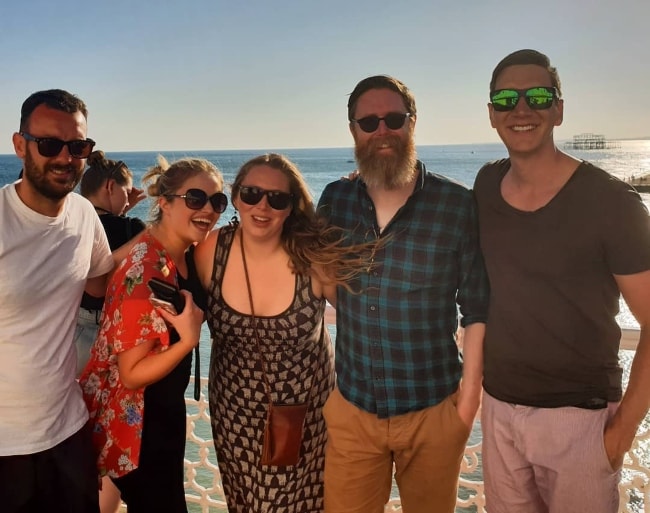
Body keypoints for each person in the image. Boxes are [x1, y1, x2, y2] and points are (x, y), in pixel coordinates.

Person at [474, 49, 650, 513]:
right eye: (507, 99)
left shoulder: (612, 203)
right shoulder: (486, 186)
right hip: (499, 409)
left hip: (581, 419)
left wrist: (622, 430)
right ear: (491, 114)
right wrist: (372, 185)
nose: (522, 110)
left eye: (538, 96)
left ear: (559, 108)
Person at [316, 75, 489, 513]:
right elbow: (322, 278)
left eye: (394, 119)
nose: (382, 131)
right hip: (353, 409)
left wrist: (467, 405)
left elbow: (477, 307)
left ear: (413, 123)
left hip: (432, 411)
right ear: (353, 130)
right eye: (368, 122)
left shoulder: (456, 204)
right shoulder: (335, 199)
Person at [194, 153, 378, 513]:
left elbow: (367, 313)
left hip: (304, 418)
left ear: (292, 207)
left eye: (277, 198)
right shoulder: (211, 251)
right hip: (236, 418)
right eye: (251, 194)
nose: (262, 206)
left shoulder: (313, 258)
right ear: (235, 197)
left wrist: (363, 199)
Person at [79, 156, 227, 513]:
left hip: (162, 413)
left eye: (217, 201)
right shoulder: (147, 271)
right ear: (164, 202)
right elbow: (131, 374)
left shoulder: (180, 254)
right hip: (140, 428)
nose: (208, 209)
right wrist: (190, 340)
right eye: (195, 198)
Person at [0, 89, 113, 513]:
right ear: (19, 145)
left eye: (78, 146)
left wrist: (161, 241)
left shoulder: (83, 215)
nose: (65, 158)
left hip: (68, 433)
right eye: (49, 144)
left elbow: (101, 281)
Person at [75, 150, 147, 377]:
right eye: (126, 192)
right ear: (110, 187)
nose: (129, 198)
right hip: (111, 330)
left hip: (71, 329)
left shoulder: (72, 224)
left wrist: (123, 206)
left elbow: (102, 225)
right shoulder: (132, 229)